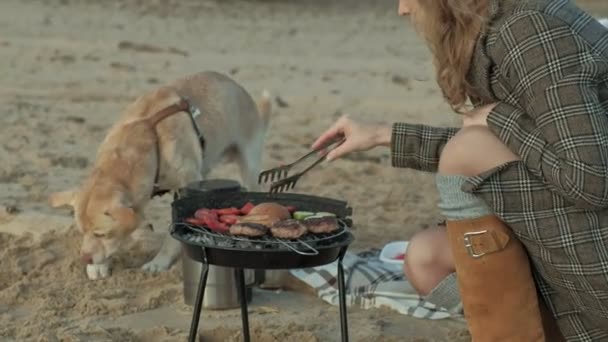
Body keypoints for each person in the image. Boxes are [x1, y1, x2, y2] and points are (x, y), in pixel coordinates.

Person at [312, 0, 608, 341]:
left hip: (596, 256)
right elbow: (513, 147)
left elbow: (591, 179)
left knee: (468, 150)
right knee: (427, 257)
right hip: (582, 233)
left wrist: (498, 116)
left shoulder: (530, 32)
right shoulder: (504, 25)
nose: (402, 9)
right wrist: (382, 135)